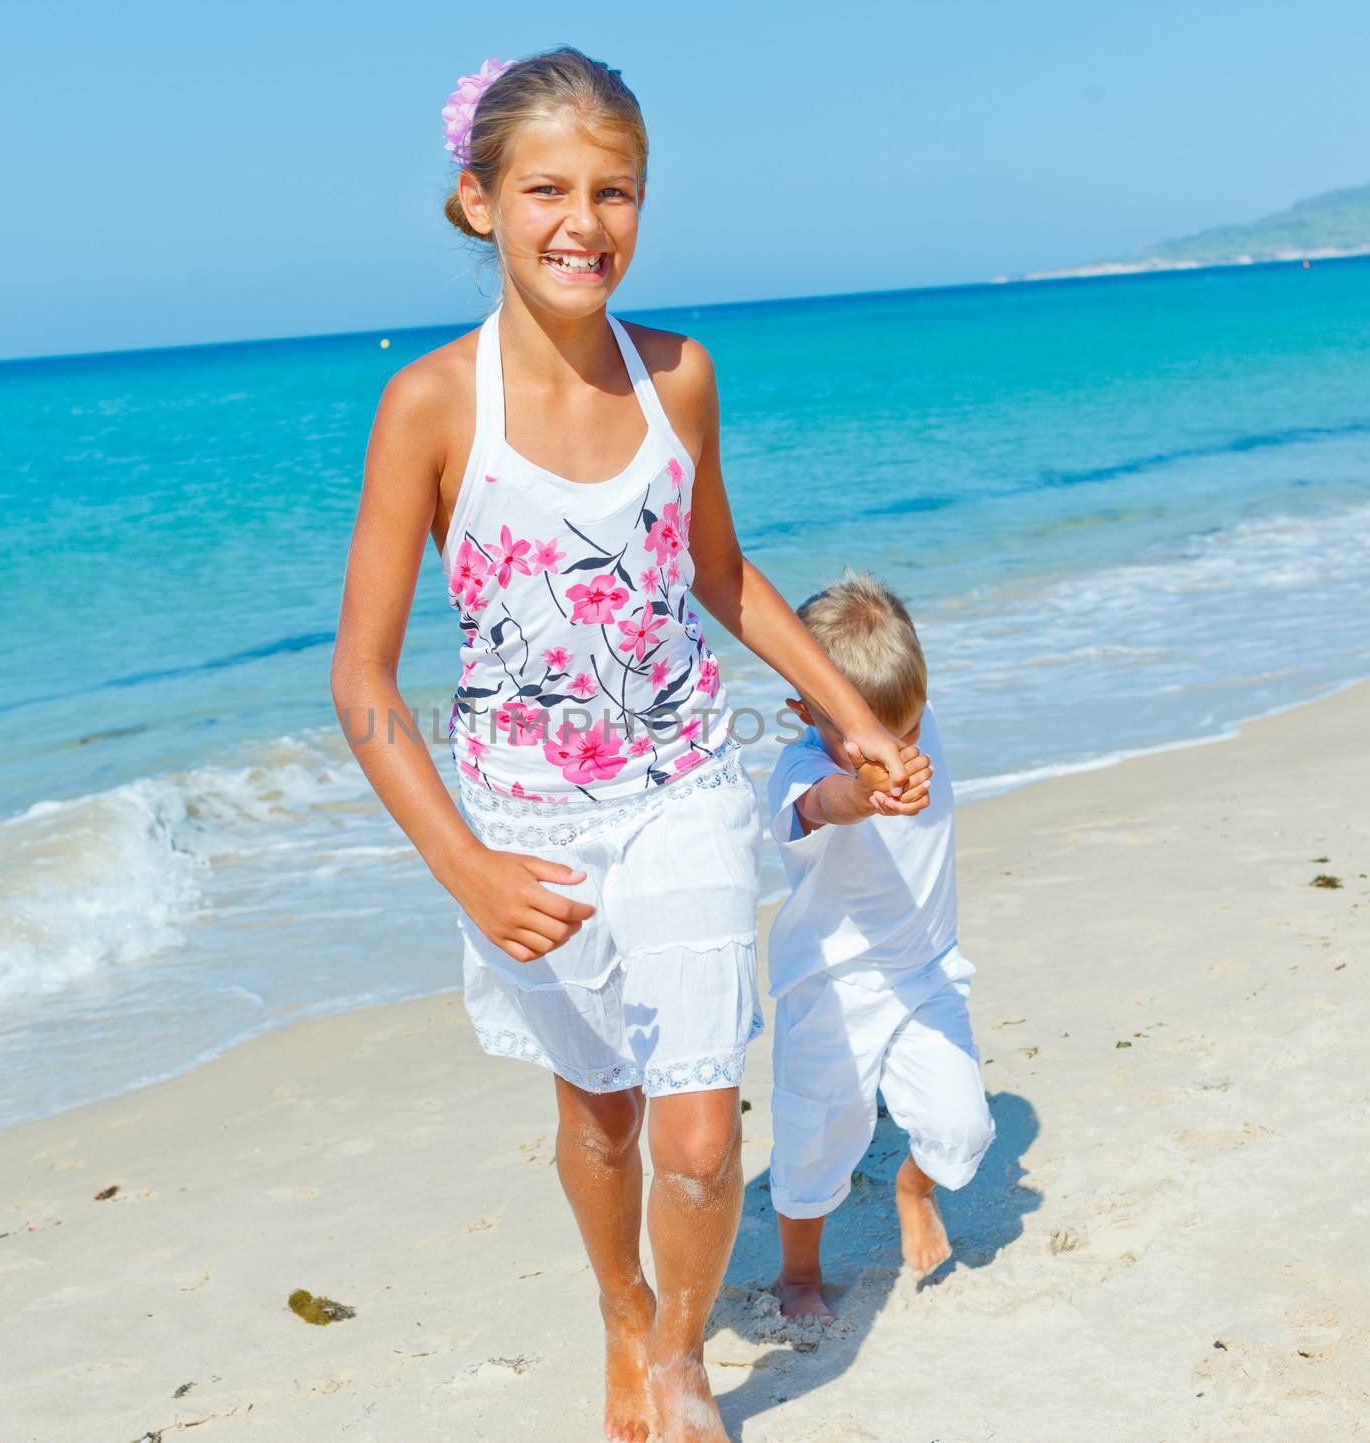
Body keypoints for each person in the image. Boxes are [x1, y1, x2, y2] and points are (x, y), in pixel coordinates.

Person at [331, 50, 925, 1443]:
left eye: (616, 191)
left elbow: (720, 577)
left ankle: (676, 1354)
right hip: (524, 825)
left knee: (700, 1129)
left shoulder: (681, 377)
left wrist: (853, 720)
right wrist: (464, 867)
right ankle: (617, 1311)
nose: (581, 221)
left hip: (683, 797)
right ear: (478, 203)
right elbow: (361, 675)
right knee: (599, 1114)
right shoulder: (431, 405)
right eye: (545, 188)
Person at [766, 572, 994, 1321]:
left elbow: (886, 664)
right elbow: (820, 805)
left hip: (926, 969)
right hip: (832, 989)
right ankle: (798, 1273)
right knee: (814, 1137)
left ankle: (912, 1186)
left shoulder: (917, 712)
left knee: (965, 1125)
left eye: (911, 724)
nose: (898, 746)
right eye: (874, 732)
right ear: (806, 712)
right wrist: (861, 793)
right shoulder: (803, 769)